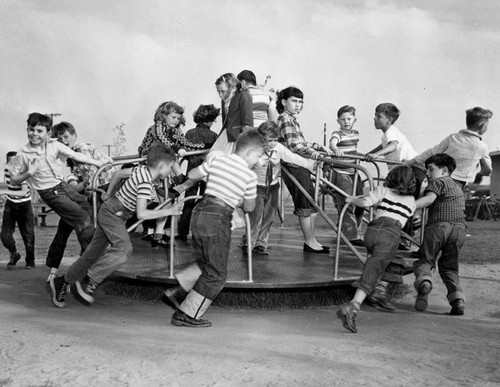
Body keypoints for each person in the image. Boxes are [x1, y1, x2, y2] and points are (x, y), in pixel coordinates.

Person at [48, 143, 184, 308]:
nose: (170, 171)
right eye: (170, 167)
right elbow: (142, 214)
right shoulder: (146, 183)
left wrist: (108, 193)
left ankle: (63, 281)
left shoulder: (140, 170)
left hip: (112, 211)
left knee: (91, 254)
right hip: (113, 214)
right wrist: (169, 211)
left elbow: (119, 174)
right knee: (123, 249)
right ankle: (91, 279)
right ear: (162, 166)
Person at [164, 129, 266, 328]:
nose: (259, 160)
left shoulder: (219, 160)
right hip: (218, 218)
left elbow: (193, 174)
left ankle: (178, 291)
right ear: (250, 153)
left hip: (199, 212)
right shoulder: (249, 175)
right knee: (217, 274)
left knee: (206, 261)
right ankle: (186, 313)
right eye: (260, 155)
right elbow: (249, 207)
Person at [9, 113, 108, 271]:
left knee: (88, 211)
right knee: (81, 218)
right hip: (49, 192)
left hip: (63, 187)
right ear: (27, 129)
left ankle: (64, 262)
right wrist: (28, 173)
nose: (35, 134)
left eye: (40, 131)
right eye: (31, 130)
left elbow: (75, 155)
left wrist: (98, 162)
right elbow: (13, 180)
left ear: (47, 133)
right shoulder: (23, 153)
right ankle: (92, 260)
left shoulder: (54, 145)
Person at [337, 165, 417, 333]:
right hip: (390, 234)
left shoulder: (382, 190)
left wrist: (352, 200)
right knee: (376, 267)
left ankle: (377, 291)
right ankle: (354, 304)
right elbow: (406, 217)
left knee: (388, 262)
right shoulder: (411, 201)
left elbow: (365, 202)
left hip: (372, 232)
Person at [45, 121, 118, 283]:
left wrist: (88, 187)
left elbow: (93, 172)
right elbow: (78, 178)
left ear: (74, 135)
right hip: (93, 188)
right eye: (60, 138)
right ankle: (73, 265)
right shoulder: (70, 157)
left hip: (104, 186)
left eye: (66, 136)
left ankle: (89, 264)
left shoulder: (81, 149)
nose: (64, 140)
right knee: (73, 226)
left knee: (94, 224)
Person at [243, 121, 316, 255]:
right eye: (269, 140)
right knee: (256, 217)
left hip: (272, 187)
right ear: (261, 138)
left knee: (269, 216)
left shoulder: (278, 148)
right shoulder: (254, 149)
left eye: (275, 140)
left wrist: (309, 164)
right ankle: (249, 243)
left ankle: (261, 243)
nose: (272, 143)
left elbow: (292, 158)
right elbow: (244, 166)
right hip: (256, 187)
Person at [138, 101, 204, 244]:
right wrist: (176, 148)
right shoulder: (157, 127)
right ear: (164, 115)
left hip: (163, 164)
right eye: (173, 117)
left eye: (178, 118)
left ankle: (158, 234)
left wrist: (202, 147)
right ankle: (180, 179)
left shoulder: (175, 130)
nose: (176, 120)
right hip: (149, 159)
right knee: (172, 155)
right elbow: (163, 140)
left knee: (166, 200)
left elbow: (184, 142)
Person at [276, 86, 331, 253]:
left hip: (300, 165)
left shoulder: (292, 119)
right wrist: (313, 153)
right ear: (284, 101)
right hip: (294, 166)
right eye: (294, 101)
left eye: (301, 102)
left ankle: (312, 240)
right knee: (305, 204)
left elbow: (301, 141)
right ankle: (309, 242)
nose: (298, 105)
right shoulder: (285, 119)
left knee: (311, 204)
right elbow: (293, 145)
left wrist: (317, 146)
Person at [413, 154, 466, 316]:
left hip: (439, 227)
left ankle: (425, 282)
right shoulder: (457, 187)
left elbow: (429, 200)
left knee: (425, 259)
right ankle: (457, 300)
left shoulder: (437, 182)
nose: (428, 173)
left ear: (444, 170)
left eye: (431, 169)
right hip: (460, 229)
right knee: (450, 267)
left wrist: (408, 205)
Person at [366, 103, 425, 250]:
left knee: (403, 202)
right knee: (400, 202)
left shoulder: (391, 132)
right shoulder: (388, 134)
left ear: (389, 119)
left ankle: (406, 237)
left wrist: (376, 155)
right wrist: (367, 154)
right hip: (407, 170)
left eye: (378, 116)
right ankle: (408, 230)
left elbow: (391, 146)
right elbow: (382, 147)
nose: (374, 119)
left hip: (411, 169)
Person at [405, 107, 493, 190]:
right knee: (453, 203)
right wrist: (479, 173)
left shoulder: (453, 138)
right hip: (458, 183)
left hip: (441, 178)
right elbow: (488, 170)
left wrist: (410, 162)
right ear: (482, 126)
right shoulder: (482, 146)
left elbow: (432, 152)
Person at [176, 104, 219, 241]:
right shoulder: (214, 136)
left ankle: (182, 231)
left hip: (192, 172)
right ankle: (199, 233)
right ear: (210, 120)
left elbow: (186, 153)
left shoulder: (189, 133)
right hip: (207, 173)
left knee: (188, 201)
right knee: (205, 201)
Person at [329, 105, 365, 246]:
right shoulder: (338, 134)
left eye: (349, 119)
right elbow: (332, 144)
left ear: (354, 120)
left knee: (361, 202)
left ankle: (348, 229)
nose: (346, 122)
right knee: (347, 202)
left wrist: (365, 155)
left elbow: (354, 150)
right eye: (343, 119)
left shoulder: (355, 133)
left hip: (354, 172)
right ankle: (351, 236)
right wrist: (336, 149)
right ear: (338, 121)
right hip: (341, 172)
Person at [1, 151, 35, 269]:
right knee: (5, 236)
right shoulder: (5, 173)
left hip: (24, 206)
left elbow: (23, 192)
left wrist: (5, 192)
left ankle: (30, 261)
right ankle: (14, 253)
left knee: (28, 235)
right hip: (10, 204)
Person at [210, 73, 254, 155]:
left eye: (222, 91)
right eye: (218, 91)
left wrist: (246, 144)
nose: (220, 95)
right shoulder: (224, 100)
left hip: (238, 138)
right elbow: (225, 121)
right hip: (226, 136)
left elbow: (247, 123)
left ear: (232, 88)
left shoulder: (243, 96)